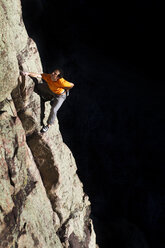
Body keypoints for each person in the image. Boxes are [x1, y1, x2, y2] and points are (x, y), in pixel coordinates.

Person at [22, 69, 74, 133]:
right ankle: (49, 97)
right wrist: (28, 73)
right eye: (53, 72)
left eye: (55, 73)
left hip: (60, 96)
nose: (52, 73)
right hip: (51, 89)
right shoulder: (49, 76)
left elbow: (72, 85)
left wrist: (67, 89)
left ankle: (48, 125)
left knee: (54, 109)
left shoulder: (62, 82)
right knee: (39, 86)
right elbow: (38, 75)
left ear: (58, 77)